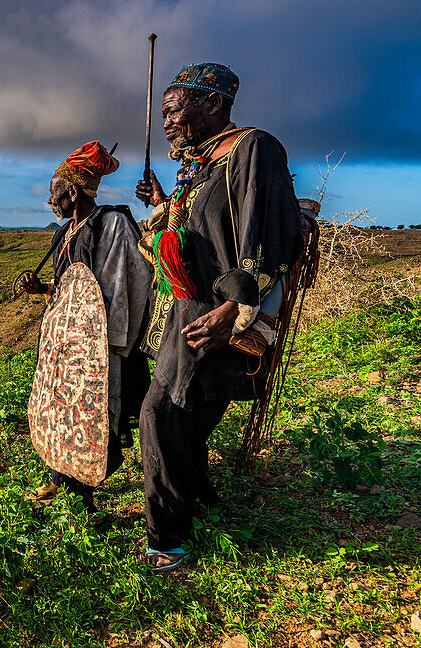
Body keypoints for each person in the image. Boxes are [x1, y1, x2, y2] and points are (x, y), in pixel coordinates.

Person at [134, 63, 302, 571]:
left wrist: (236, 306)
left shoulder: (253, 148)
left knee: (159, 414)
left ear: (212, 104)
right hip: (191, 308)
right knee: (190, 410)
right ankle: (200, 498)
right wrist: (167, 202)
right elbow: (197, 235)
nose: (165, 122)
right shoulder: (204, 166)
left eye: (173, 109)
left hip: (219, 310)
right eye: (162, 114)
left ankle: (169, 539)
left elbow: (266, 229)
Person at [17, 141, 154, 511]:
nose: (50, 201)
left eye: (54, 192)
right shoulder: (64, 234)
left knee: (93, 416)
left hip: (98, 348)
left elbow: (123, 287)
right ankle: (60, 480)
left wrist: (104, 344)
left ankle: (84, 500)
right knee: (63, 411)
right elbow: (68, 288)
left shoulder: (112, 225)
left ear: (73, 191)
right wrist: (41, 288)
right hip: (65, 345)